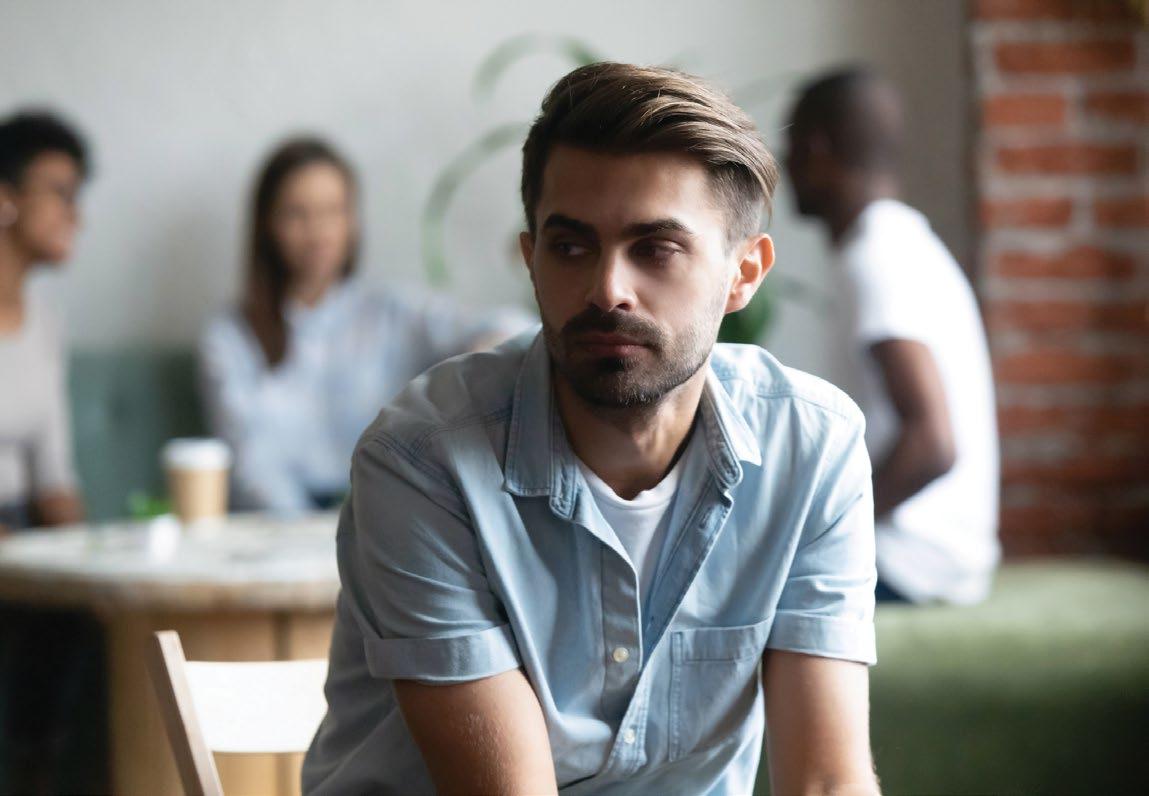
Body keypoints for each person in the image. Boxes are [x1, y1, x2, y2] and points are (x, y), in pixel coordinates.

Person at [304, 63, 879, 795]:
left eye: (655, 249)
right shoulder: (424, 461)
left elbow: (825, 781)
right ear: (531, 261)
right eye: (571, 247)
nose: (607, 289)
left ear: (743, 273)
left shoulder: (812, 449)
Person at [200, 137, 532, 514]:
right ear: (267, 224)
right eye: (297, 213)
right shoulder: (230, 336)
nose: (317, 232)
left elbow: (514, 328)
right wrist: (309, 531)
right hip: (277, 525)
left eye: (332, 211)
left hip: (383, 515)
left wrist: (486, 352)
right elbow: (251, 466)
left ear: (352, 220)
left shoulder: (390, 312)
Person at [784, 67, 1000, 605]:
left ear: (816, 150)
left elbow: (933, 444)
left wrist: (822, 533)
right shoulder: (898, 243)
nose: (784, 166)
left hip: (911, 561)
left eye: (789, 149)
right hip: (938, 556)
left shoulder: (876, 256)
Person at [0, 110, 105, 794]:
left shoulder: (43, 326)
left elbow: (54, 482)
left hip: (21, 539)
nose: (76, 215)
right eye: (60, 193)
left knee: (84, 614)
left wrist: (92, 561)